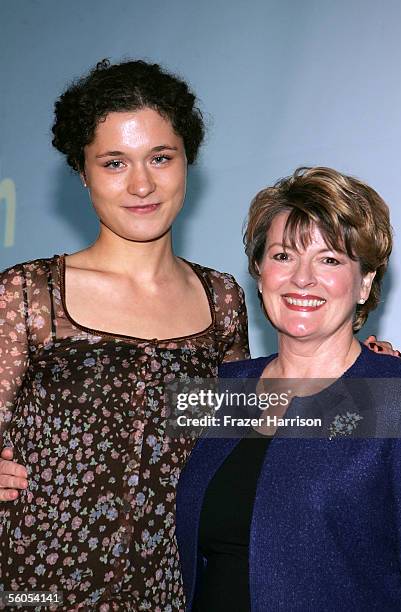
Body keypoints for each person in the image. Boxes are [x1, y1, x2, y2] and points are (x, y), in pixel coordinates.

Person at [0, 59, 250, 611]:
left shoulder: (223, 301)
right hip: (35, 590)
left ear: (189, 162)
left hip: (174, 589)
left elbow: (244, 440)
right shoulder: (28, 294)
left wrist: (371, 374)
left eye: (161, 157)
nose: (142, 184)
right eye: (114, 163)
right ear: (82, 173)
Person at [176, 167, 401, 611]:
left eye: (329, 259)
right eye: (284, 256)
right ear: (259, 270)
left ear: (365, 282)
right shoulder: (225, 388)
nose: (301, 278)